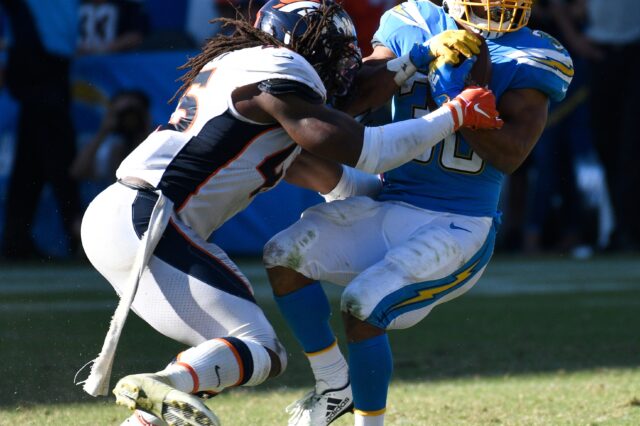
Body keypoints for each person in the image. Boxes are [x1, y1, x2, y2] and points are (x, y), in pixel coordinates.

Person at [79, 0, 502, 425]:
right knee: (262, 350)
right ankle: (164, 382)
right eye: (331, 49)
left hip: (121, 218)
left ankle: (152, 414)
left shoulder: (246, 72)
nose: (343, 62)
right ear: (295, 45)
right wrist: (456, 113)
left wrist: (415, 59)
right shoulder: (280, 71)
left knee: (230, 348)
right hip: (150, 219)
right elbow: (370, 150)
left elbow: (323, 163)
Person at [263, 1, 574, 425]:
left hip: (460, 223)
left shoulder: (534, 53)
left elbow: (511, 155)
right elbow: (352, 99)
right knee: (284, 255)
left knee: (364, 303)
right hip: (391, 201)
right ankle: (334, 384)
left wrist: (456, 101)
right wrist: (417, 58)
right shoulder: (413, 21)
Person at [0, 0, 82, 260]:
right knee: (57, 156)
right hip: (39, 58)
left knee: (34, 157)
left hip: (46, 59)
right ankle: (76, 233)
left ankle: (17, 237)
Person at [71, 89, 152, 187]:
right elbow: (77, 173)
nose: (128, 119)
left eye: (134, 113)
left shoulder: (155, 143)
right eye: (122, 114)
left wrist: (146, 132)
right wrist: (104, 131)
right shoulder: (106, 147)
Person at [77, 0, 149, 55]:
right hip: (77, 62)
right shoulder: (76, 5)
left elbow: (136, 35)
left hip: (114, 64)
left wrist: (105, 49)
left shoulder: (127, 6)